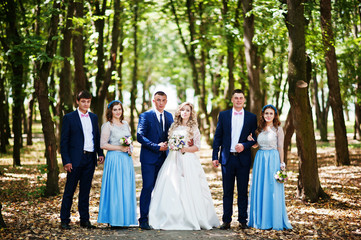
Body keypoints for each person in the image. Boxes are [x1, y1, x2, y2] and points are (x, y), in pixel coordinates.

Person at [149, 102, 220, 230]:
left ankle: (192, 217)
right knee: (171, 185)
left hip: (188, 160)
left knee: (189, 186)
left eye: (188, 110)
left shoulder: (194, 129)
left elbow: (197, 146)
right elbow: (170, 143)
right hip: (172, 160)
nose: (185, 112)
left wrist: (184, 149)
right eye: (183, 110)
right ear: (179, 112)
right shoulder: (173, 127)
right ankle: (170, 216)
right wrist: (171, 146)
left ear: (191, 113)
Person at [212, 89, 257, 230]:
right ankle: (226, 220)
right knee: (227, 191)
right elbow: (217, 137)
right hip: (227, 159)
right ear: (232, 100)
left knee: (243, 191)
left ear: (244, 100)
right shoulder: (224, 115)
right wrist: (215, 156)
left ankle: (243, 220)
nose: (238, 100)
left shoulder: (251, 117)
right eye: (236, 98)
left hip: (243, 159)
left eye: (241, 98)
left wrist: (244, 145)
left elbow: (255, 139)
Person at [60, 90, 104, 230]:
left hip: (90, 159)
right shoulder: (69, 118)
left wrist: (100, 153)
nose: (86, 103)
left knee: (85, 191)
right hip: (74, 160)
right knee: (69, 190)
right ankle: (64, 220)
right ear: (77, 102)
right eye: (83, 101)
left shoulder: (94, 117)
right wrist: (66, 161)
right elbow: (64, 141)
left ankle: (84, 220)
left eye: (88, 101)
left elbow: (96, 136)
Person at [247, 104, 292, 230]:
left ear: (275, 115)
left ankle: (273, 219)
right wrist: (251, 141)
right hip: (260, 159)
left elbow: (280, 147)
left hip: (273, 159)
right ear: (262, 114)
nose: (268, 116)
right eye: (266, 113)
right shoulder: (259, 129)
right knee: (261, 186)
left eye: (271, 113)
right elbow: (256, 145)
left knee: (273, 188)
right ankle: (260, 219)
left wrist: (282, 163)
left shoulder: (278, 129)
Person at [137, 91, 174, 230]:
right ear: (154, 101)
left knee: (162, 189)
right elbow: (140, 136)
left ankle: (158, 217)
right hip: (149, 159)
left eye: (163, 100)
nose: (161, 103)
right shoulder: (146, 116)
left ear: (166, 101)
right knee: (147, 187)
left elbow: (172, 134)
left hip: (165, 159)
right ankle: (144, 219)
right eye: (158, 100)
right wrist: (156, 147)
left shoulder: (169, 116)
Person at [97, 100, 137, 228]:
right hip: (114, 160)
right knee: (115, 188)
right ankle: (114, 219)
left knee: (125, 187)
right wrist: (120, 148)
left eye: (119, 109)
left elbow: (129, 141)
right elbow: (103, 145)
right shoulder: (107, 126)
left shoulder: (125, 124)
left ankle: (125, 219)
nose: (118, 112)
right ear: (110, 111)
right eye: (115, 110)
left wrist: (130, 147)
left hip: (126, 160)